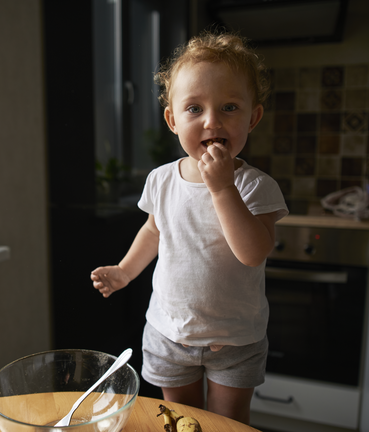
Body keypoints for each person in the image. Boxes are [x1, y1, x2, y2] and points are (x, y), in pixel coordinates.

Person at [90, 31, 288, 424]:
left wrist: (222, 188)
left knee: (226, 424)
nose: (212, 120)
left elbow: (252, 252)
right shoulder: (161, 180)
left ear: (253, 117)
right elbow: (153, 231)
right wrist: (126, 271)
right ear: (172, 120)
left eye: (229, 107)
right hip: (169, 333)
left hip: (236, 339)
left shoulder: (255, 186)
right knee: (181, 421)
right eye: (194, 109)